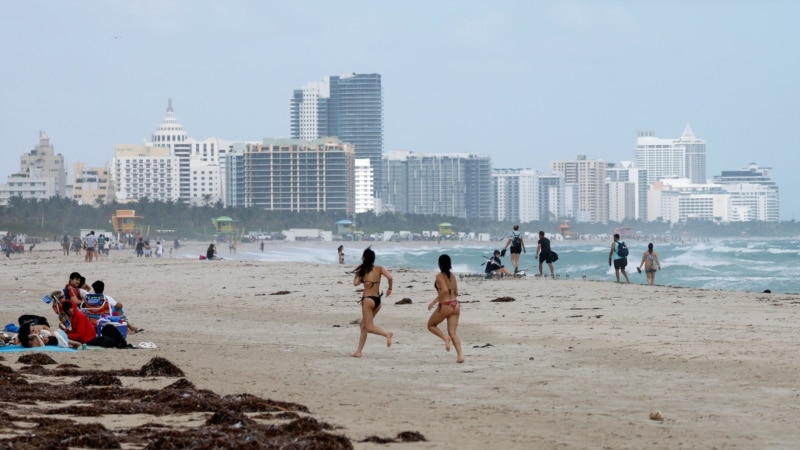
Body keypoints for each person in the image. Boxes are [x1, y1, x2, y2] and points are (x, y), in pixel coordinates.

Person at [351, 247, 394, 358]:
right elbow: (390, 277)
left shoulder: (362, 270)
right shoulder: (379, 268)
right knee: (363, 325)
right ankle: (358, 352)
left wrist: (358, 275)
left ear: (364, 258)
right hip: (377, 301)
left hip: (368, 300)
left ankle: (387, 334)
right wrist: (390, 288)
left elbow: (355, 283)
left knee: (369, 327)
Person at [427, 254, 464, 363]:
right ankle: (460, 356)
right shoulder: (452, 276)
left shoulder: (439, 276)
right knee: (453, 333)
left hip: (445, 305)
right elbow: (456, 292)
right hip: (455, 305)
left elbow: (444, 291)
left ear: (440, 264)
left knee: (431, 325)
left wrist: (434, 302)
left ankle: (445, 338)